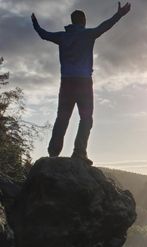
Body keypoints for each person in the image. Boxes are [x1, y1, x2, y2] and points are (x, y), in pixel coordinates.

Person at [31, 2, 131, 165]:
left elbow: (43, 34)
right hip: (83, 83)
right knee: (86, 118)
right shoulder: (88, 34)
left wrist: (35, 23)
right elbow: (106, 25)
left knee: (62, 118)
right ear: (83, 21)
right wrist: (119, 14)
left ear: (72, 21)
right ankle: (79, 153)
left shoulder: (62, 37)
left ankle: (53, 154)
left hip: (67, 83)